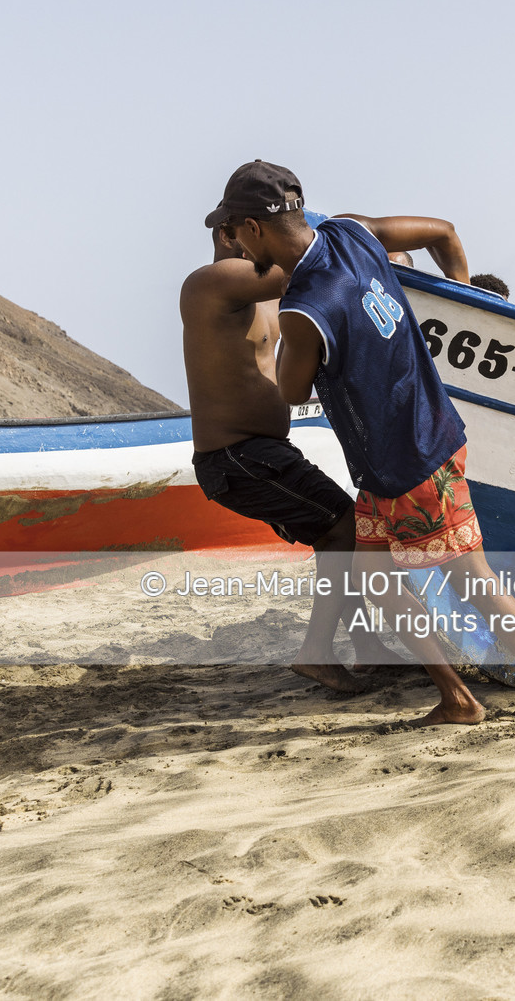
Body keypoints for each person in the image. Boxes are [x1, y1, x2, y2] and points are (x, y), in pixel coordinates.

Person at [208, 160, 515, 723]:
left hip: (412, 459)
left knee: (470, 578)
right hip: (396, 455)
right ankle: (456, 697)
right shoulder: (352, 232)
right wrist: (463, 297)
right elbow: (444, 232)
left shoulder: (304, 308)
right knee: (376, 581)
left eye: (231, 230)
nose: (231, 243)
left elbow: (291, 389)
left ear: (253, 227)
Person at [184, 222, 403, 693]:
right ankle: (318, 653)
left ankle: (367, 648)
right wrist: (374, 254)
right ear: (232, 233)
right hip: (237, 455)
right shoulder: (211, 281)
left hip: (264, 454)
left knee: (337, 538)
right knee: (345, 530)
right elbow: (313, 266)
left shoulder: (263, 296)